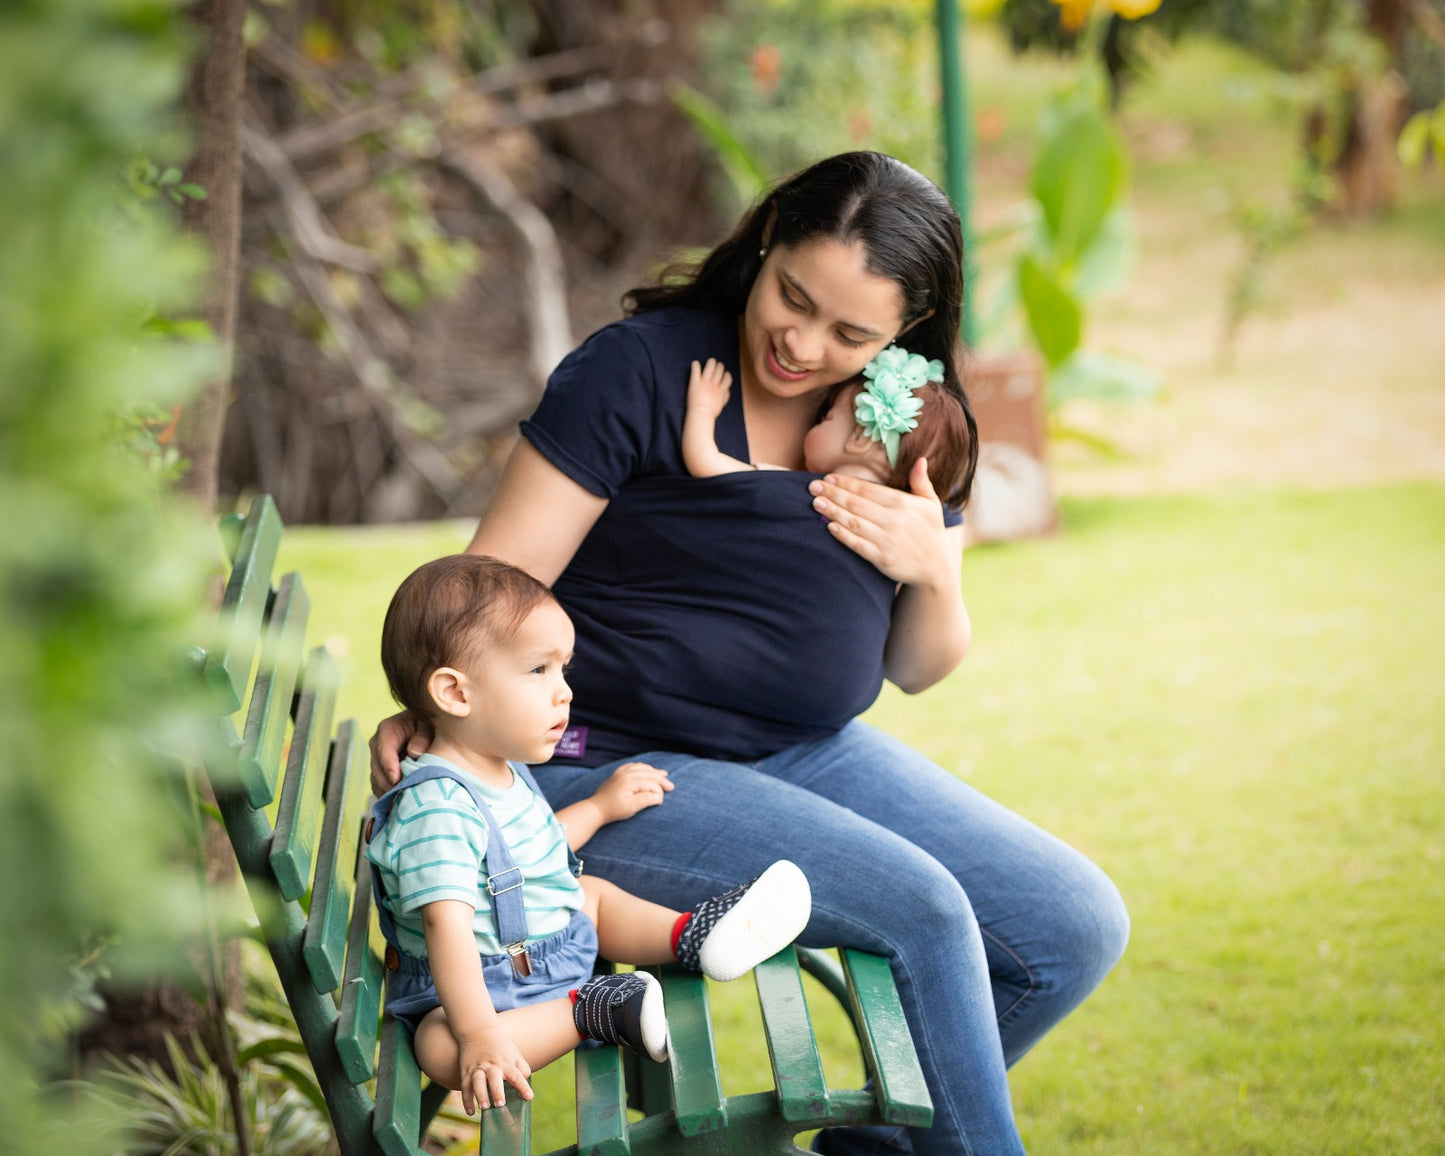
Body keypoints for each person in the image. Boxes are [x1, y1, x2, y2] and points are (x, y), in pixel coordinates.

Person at [370, 151, 1129, 1156]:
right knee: (924, 910)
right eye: (791, 297)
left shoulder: (905, 419)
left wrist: (933, 570)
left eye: (849, 332)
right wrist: (431, 705)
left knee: (1069, 924)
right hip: (604, 768)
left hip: (803, 751)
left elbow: (918, 665)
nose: (801, 343)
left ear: (901, 332)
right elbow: (489, 590)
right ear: (764, 238)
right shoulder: (642, 371)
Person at [367, 553, 812, 1116]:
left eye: (563, 670)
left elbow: (532, 854)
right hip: (477, 990)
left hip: (542, 942)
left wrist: (599, 808)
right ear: (456, 694)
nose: (564, 692)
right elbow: (444, 926)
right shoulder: (436, 808)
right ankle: (592, 1009)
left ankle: (692, 935)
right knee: (438, 1045)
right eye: (538, 671)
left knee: (593, 895)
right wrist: (479, 1032)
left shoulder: (496, 766)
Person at [682, 348, 973, 501]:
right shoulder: (898, 533)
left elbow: (705, 463)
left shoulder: (812, 493)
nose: (816, 424)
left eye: (827, 418)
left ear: (858, 439)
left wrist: (703, 407)